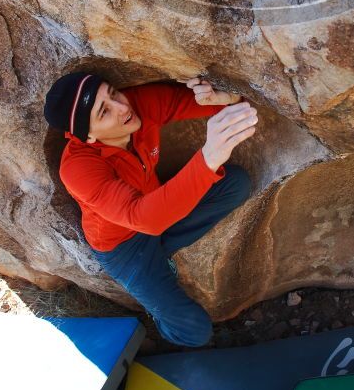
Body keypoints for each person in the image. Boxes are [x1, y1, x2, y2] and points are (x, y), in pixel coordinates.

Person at [43, 71, 257, 347]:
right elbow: (141, 217)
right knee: (195, 333)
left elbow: (219, 105)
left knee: (235, 184)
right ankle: (158, 310)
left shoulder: (136, 106)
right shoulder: (78, 168)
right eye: (104, 112)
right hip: (123, 247)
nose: (122, 107)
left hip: (157, 210)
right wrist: (207, 159)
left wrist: (225, 96)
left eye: (113, 92)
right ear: (88, 136)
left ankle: (161, 251)